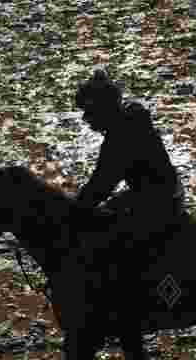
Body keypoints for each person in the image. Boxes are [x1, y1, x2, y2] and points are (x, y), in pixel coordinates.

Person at [72, 68, 186, 297]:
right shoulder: (132, 116)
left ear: (102, 109)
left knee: (114, 248)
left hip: (156, 202)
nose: (86, 119)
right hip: (162, 192)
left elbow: (99, 187)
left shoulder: (119, 139)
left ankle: (137, 303)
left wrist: (71, 212)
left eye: (89, 112)